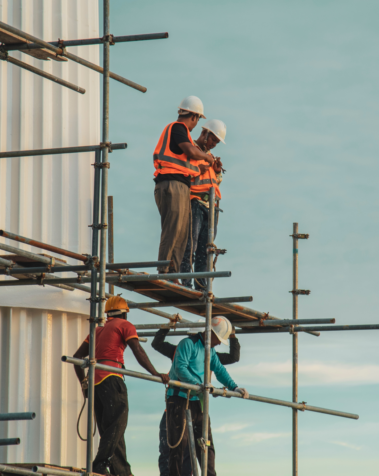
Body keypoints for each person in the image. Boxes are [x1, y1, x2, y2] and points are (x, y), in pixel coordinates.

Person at [72, 296, 170, 476]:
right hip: (111, 377)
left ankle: (122, 471)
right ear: (124, 313)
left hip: (95, 382)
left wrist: (84, 384)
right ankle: (99, 464)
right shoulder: (125, 325)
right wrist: (155, 373)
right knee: (118, 424)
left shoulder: (97, 331)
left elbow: (76, 359)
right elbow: (138, 350)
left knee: (111, 429)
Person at [165, 316, 249, 476]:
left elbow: (219, 370)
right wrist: (199, 384)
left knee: (206, 445)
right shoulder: (187, 344)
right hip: (179, 399)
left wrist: (234, 387)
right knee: (178, 445)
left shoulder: (210, 350)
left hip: (198, 400)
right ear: (209, 332)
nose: (219, 343)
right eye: (218, 339)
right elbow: (180, 368)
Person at [154, 96, 216, 276]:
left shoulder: (183, 134)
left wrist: (203, 166)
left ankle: (173, 272)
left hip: (179, 185)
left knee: (182, 233)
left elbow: (186, 162)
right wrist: (206, 157)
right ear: (195, 116)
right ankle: (164, 271)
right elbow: (190, 151)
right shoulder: (178, 128)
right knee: (173, 229)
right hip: (170, 184)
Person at [179, 120, 227, 291]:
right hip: (195, 202)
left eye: (216, 142)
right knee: (189, 244)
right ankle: (185, 282)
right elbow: (186, 172)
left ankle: (201, 286)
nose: (214, 144)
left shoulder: (210, 157)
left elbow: (215, 182)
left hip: (210, 206)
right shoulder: (190, 148)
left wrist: (218, 171)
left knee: (205, 250)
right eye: (213, 140)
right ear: (205, 133)